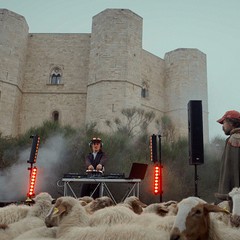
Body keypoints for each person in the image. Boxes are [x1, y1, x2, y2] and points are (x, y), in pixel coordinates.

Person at [215, 110, 240, 200]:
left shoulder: (234, 139)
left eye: (224, 122)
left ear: (231, 123)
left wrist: (225, 193)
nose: (222, 127)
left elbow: (230, 170)